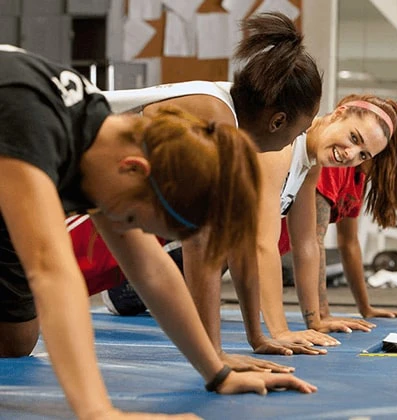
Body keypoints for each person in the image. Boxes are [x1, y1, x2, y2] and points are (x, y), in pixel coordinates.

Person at [0, 45, 317, 420]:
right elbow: (50, 271)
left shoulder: (100, 144)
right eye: (134, 220)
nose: (125, 230)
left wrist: (217, 373)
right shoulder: (28, 116)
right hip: (15, 141)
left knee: (17, 343)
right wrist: (99, 412)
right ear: (134, 169)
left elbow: (150, 268)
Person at [89, 12, 329, 371]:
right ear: (277, 121)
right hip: (52, 171)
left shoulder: (232, 129)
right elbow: (201, 244)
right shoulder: (212, 115)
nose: (296, 140)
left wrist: (257, 337)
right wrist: (214, 356)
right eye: (299, 131)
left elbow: (241, 245)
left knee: (16, 342)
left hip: (94, 199)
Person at [258, 94, 397, 338]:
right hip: (243, 244)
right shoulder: (325, 160)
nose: (352, 153)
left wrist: (364, 308)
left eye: (366, 152)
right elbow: (309, 238)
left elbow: (346, 242)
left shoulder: (350, 170)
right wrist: (317, 316)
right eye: (355, 138)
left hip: (243, 245)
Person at [312, 165, 397, 325]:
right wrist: (321, 315)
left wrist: (365, 308)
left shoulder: (358, 175)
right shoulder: (333, 167)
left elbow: (349, 242)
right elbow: (312, 240)